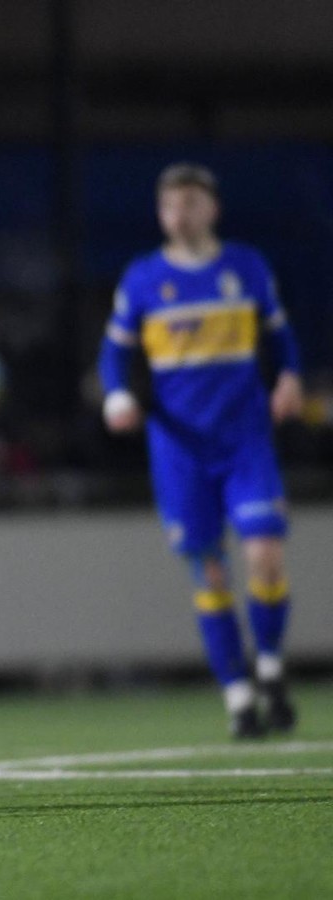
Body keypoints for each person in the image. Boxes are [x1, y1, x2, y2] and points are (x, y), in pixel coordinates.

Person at [98, 162, 303, 738]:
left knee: (265, 554)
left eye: (189, 204)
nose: (178, 216)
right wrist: (117, 394)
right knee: (210, 572)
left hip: (244, 440)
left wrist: (288, 377)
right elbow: (114, 352)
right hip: (179, 449)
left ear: (212, 208)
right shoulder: (144, 278)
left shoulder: (246, 266)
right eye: (169, 206)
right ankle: (239, 697)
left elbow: (280, 336)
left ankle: (270, 667)